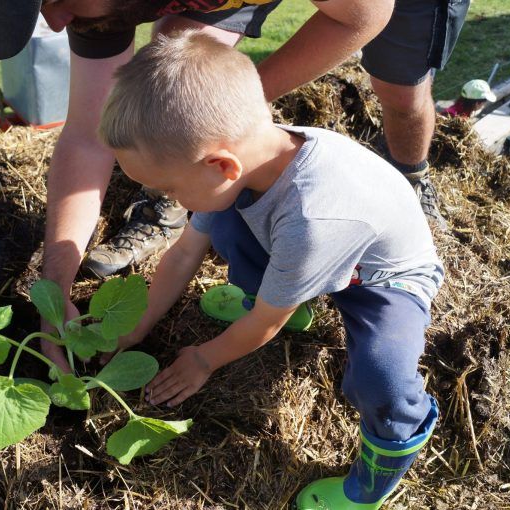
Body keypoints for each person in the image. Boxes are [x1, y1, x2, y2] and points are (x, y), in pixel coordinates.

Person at [0, 0, 469, 370]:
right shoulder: (85, 8)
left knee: (400, 91)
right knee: (173, 52)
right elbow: (86, 135)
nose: (54, 22)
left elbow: (362, 15)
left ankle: (412, 175)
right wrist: (55, 286)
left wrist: (226, 116)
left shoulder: (317, 217)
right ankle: (203, 189)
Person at [98, 31, 445, 510]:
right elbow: (182, 254)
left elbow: (266, 323)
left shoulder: (311, 218)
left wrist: (204, 359)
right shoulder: (251, 158)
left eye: (169, 189)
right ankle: (284, 291)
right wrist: (138, 325)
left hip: (382, 279)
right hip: (314, 252)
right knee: (221, 226)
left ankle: (377, 475)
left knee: (379, 375)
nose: (169, 202)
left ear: (221, 166)